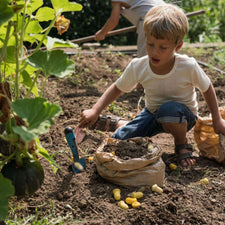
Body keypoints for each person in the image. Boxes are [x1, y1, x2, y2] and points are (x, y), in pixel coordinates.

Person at [79, 4, 225, 167]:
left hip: (183, 116)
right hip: (152, 113)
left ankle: (181, 144)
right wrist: (95, 110)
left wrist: (217, 120)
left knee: (169, 110)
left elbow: (207, 88)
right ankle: (123, 124)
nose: (155, 52)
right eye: (150, 44)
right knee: (119, 141)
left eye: (163, 47)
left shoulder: (188, 66)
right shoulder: (138, 66)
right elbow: (117, 87)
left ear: (177, 47)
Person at [94, 0, 165, 58]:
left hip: (150, 20)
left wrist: (102, 33)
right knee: (165, 55)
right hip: (168, 16)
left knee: (144, 60)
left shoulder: (116, 2)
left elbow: (113, 20)